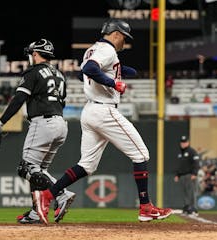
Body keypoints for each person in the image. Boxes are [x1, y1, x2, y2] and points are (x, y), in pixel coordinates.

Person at [32, 19, 172, 224]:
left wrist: (118, 72)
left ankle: (47, 195)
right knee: (141, 154)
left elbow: (82, 74)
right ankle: (146, 207)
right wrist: (113, 82)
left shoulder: (92, 49)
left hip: (89, 111)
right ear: (116, 34)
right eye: (124, 37)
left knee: (86, 165)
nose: (125, 41)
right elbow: (89, 69)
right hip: (104, 110)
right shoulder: (107, 50)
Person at [0, 39, 75, 224]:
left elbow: (18, 99)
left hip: (42, 123)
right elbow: (62, 102)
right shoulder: (59, 74)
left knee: (25, 168)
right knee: (38, 170)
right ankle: (36, 212)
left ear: (35, 54)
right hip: (60, 124)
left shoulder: (34, 72)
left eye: (31, 54)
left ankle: (61, 193)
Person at [174, 135, 200, 216]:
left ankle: (193, 209)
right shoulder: (180, 153)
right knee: (185, 193)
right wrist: (177, 175)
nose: (183, 144)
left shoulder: (192, 151)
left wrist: (194, 173)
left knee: (192, 192)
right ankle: (186, 208)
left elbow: (196, 163)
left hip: (190, 175)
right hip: (182, 176)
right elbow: (180, 165)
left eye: (184, 142)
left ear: (188, 142)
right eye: (182, 142)